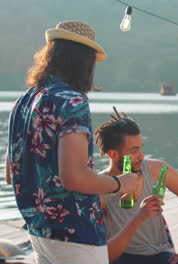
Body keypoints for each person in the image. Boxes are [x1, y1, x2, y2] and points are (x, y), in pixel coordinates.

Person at [5, 21, 138, 263]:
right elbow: (74, 178)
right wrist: (121, 183)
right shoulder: (72, 101)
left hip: (38, 232)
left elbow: (10, 174)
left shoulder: (22, 102)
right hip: (76, 236)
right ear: (83, 61)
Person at [95, 108, 178, 264]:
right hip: (122, 258)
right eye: (134, 150)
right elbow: (105, 257)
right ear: (113, 154)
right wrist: (139, 216)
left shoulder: (155, 170)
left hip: (161, 256)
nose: (142, 156)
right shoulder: (100, 188)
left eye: (141, 147)